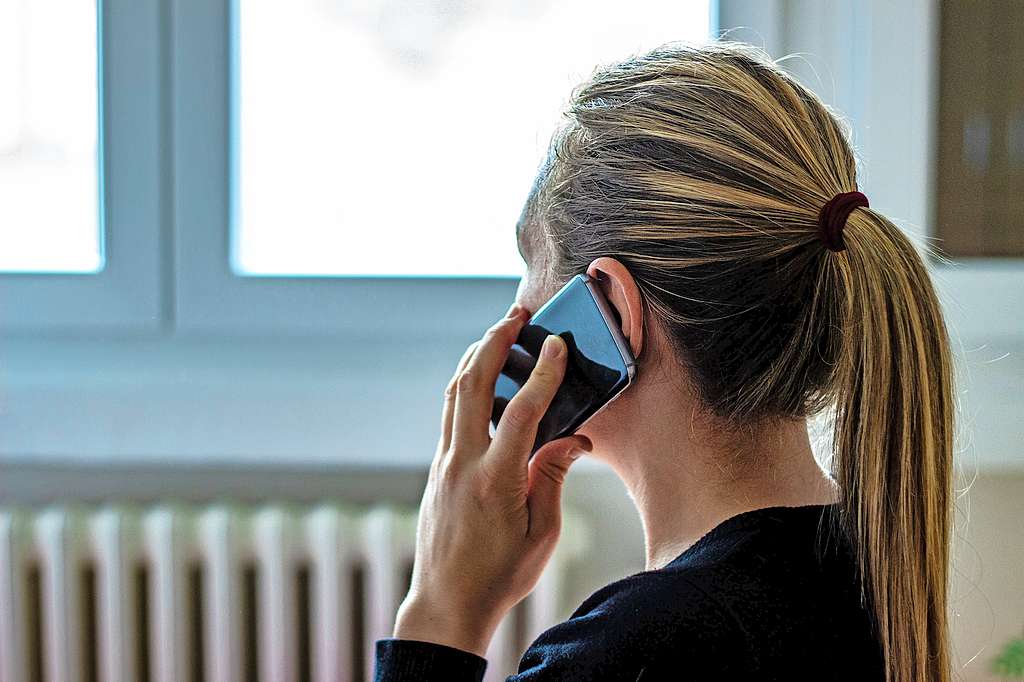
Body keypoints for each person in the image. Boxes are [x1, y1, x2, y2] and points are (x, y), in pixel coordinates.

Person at [374, 41, 954, 682]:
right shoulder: (868, 572)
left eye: (529, 265)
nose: (516, 310)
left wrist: (441, 610)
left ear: (613, 314)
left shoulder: (641, 650)